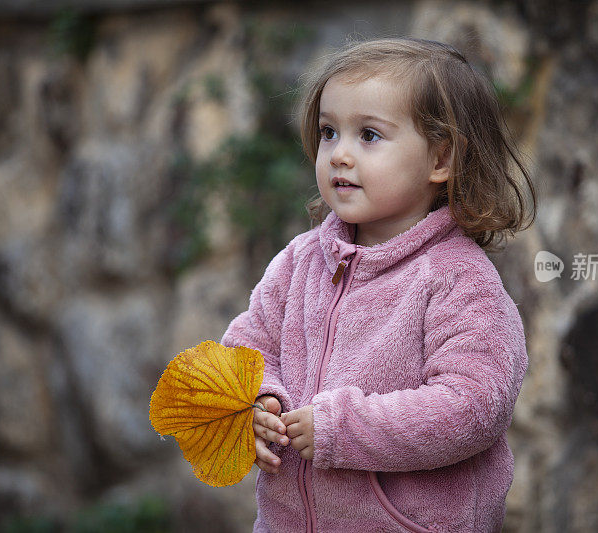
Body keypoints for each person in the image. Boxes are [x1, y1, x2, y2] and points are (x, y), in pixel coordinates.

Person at [221, 36, 536, 533]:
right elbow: (246, 348)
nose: (339, 154)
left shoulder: (457, 279)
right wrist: (261, 403)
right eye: (329, 132)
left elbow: (474, 406)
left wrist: (341, 428)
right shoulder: (301, 261)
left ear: (441, 159)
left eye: (368, 135)